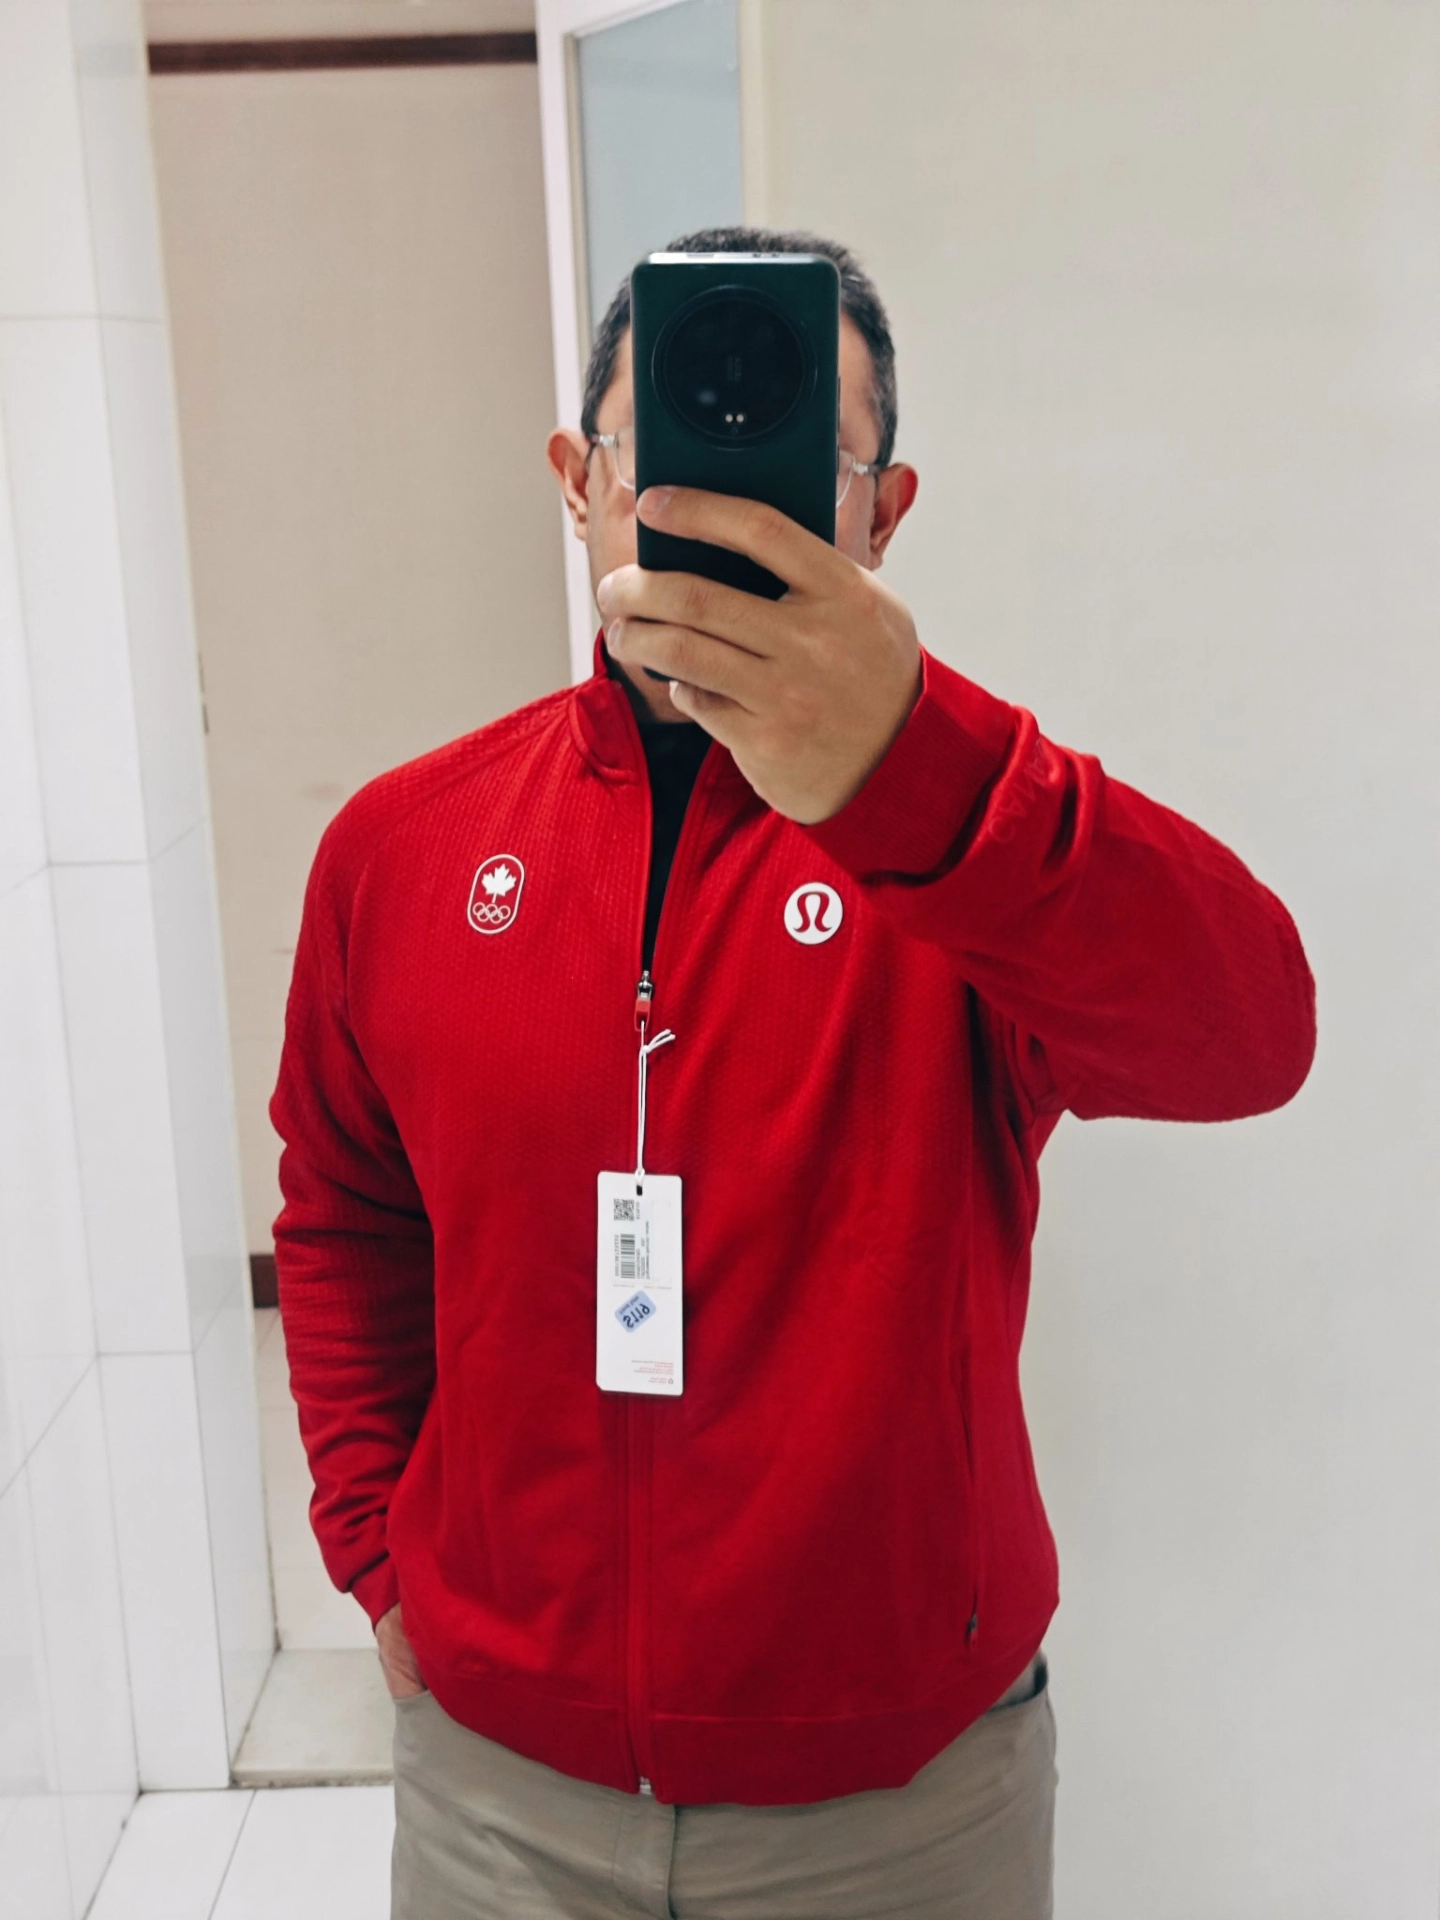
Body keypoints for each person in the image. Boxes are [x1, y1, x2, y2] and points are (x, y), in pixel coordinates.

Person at [269, 224, 1316, 1919]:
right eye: (661, 452)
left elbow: (1250, 1038)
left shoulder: (973, 848)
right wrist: (379, 1554)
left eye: (794, 468)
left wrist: (923, 768)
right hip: (497, 1791)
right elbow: (344, 1211)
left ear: (881, 516)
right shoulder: (403, 847)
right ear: (579, 484)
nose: (707, 507)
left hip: (900, 1812)